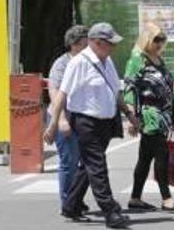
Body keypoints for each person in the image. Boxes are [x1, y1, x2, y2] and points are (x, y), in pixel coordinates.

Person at [44, 23, 140, 229]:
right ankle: (110, 211)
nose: (113, 47)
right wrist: (55, 124)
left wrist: (129, 114)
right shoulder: (79, 63)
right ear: (96, 42)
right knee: (97, 166)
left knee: (88, 166)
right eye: (110, 43)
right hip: (85, 122)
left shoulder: (107, 61)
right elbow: (62, 94)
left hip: (106, 122)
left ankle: (71, 204)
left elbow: (115, 91)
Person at [124, 24, 174, 213]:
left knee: (145, 158)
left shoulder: (158, 59)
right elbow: (129, 89)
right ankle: (166, 198)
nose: (160, 43)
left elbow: (167, 88)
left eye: (162, 39)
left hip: (164, 114)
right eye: (156, 39)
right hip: (149, 115)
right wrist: (131, 117)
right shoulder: (137, 59)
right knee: (161, 155)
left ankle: (135, 197)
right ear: (147, 39)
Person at [48, 25, 89, 209]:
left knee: (87, 162)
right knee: (69, 161)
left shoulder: (89, 61)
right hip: (65, 117)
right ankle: (68, 201)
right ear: (75, 43)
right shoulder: (62, 63)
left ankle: (76, 199)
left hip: (84, 118)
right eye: (86, 40)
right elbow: (55, 91)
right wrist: (62, 120)